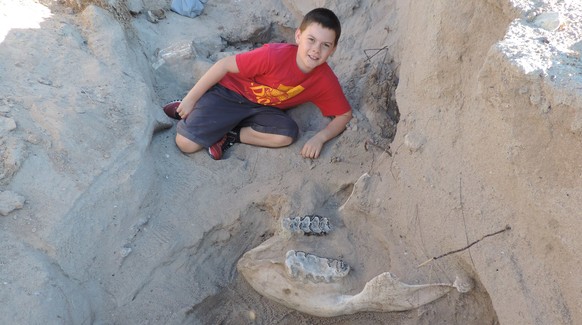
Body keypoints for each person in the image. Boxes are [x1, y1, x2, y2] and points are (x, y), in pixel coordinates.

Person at [164, 7, 352, 160]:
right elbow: (224, 65)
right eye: (311, 40)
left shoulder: (324, 80)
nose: (316, 50)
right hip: (230, 94)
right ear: (298, 36)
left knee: (286, 135)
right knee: (186, 144)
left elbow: (344, 115)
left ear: (333, 49)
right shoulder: (273, 56)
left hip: (262, 109)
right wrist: (190, 99)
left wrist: (320, 138)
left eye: (325, 45)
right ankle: (193, 104)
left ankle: (228, 135)